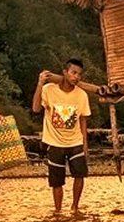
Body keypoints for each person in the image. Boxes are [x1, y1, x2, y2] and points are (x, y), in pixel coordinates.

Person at [32, 59, 91, 213]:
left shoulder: (82, 95)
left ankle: (75, 207)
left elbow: (83, 120)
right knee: (56, 181)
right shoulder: (49, 89)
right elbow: (36, 108)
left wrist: (85, 143)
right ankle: (58, 210)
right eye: (73, 73)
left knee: (80, 175)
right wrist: (40, 84)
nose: (76, 77)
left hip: (75, 141)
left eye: (79, 74)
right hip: (54, 142)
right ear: (65, 72)